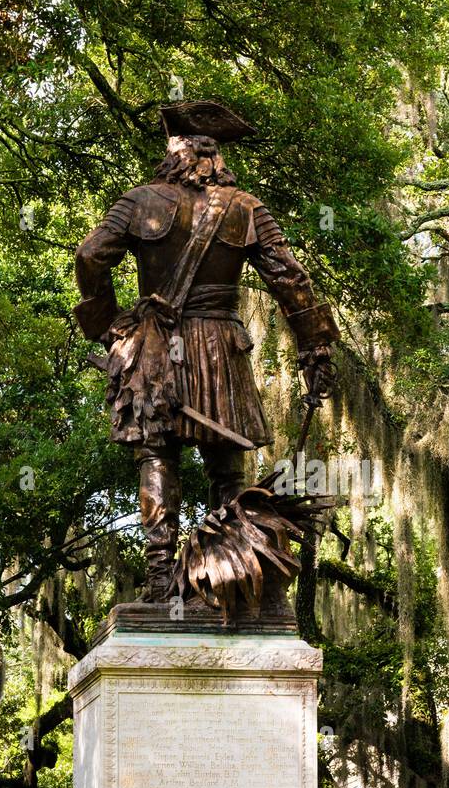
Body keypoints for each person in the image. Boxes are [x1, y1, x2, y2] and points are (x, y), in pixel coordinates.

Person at [72, 101, 339, 600]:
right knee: (225, 465)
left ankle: (158, 577)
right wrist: (315, 349)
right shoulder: (246, 207)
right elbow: (290, 279)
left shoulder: (139, 201)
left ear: (173, 153)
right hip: (219, 345)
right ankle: (228, 581)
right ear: (213, 157)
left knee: (156, 454)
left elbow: (89, 256)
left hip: (154, 345)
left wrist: (106, 324)